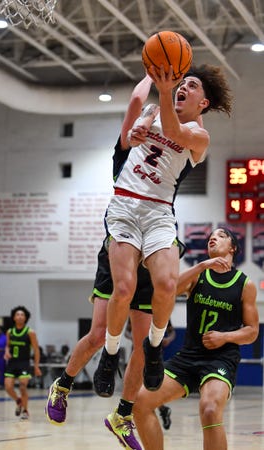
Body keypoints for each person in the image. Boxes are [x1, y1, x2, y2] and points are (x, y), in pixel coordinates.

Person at [45, 74, 186, 450]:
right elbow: (136, 106)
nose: (144, 126)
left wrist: (165, 99)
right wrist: (149, 77)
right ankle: (64, 383)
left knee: (142, 347)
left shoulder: (173, 140)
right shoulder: (125, 150)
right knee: (97, 334)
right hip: (121, 246)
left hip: (151, 244)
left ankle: (121, 415)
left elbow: (174, 125)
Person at [93, 63, 233, 397]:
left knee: (168, 282)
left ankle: (155, 347)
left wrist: (166, 91)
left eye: (192, 85)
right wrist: (149, 84)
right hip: (126, 205)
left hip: (158, 211)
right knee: (124, 288)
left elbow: (173, 131)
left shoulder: (200, 136)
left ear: (203, 103)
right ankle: (110, 354)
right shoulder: (155, 110)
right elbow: (137, 111)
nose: (183, 86)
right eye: (181, 83)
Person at [133, 227, 259, 450]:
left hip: (220, 359)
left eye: (221, 236)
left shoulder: (244, 284)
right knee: (141, 402)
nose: (213, 237)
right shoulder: (199, 274)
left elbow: (252, 331)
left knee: (210, 410)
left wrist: (225, 336)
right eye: (211, 235)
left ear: (232, 247)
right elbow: (168, 292)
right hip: (188, 357)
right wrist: (201, 266)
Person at [4, 306, 42, 420]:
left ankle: (25, 410)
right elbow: (7, 346)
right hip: (12, 363)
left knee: (22, 387)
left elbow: (36, 350)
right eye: (17, 315)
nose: (20, 316)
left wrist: (36, 366)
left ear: (25, 318)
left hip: (24, 362)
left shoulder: (30, 332)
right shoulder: (9, 332)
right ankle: (18, 401)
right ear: (14, 317)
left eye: (22, 315)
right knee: (8, 387)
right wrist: (6, 352)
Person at [158, 319, 176, 430]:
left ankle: (162, 409)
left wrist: (168, 339)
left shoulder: (160, 310)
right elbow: (126, 331)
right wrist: (133, 337)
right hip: (136, 353)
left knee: (151, 387)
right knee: (135, 388)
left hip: (155, 355)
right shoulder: (135, 308)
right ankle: (162, 409)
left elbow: (172, 332)